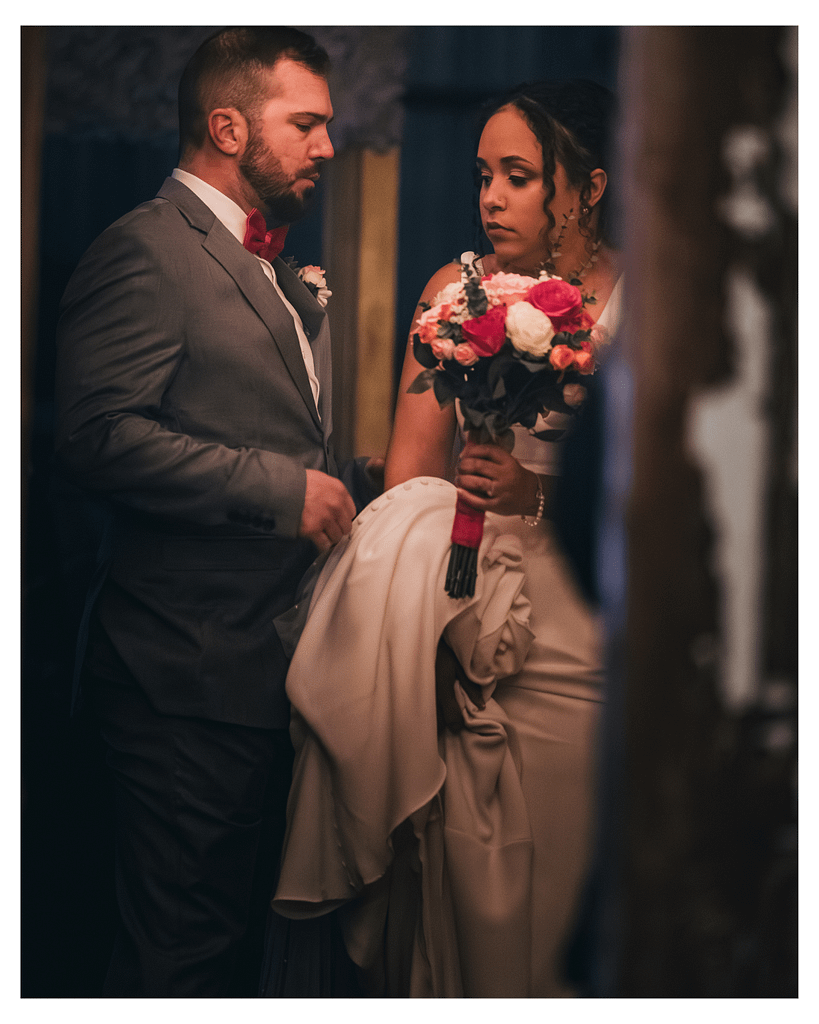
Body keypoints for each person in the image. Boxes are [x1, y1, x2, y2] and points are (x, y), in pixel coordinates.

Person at [268, 78, 622, 997]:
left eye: (517, 176)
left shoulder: (642, 303)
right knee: (456, 881)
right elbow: (405, 476)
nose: (489, 199)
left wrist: (531, 494)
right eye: (481, 176)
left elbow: (648, 504)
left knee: (556, 877)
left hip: (578, 623)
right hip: (465, 615)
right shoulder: (451, 295)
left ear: (585, 186)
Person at [54, 26, 381, 997]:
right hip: (177, 676)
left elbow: (263, 428)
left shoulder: (273, 264)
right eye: (308, 124)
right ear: (229, 126)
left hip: (258, 668)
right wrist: (282, 491)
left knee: (231, 953)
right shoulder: (148, 251)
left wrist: (362, 483)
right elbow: (95, 436)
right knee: (180, 958)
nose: (329, 146)